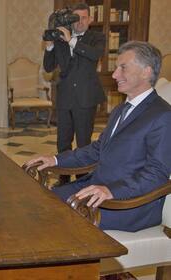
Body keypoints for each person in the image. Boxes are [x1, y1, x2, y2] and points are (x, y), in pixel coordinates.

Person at [25, 41, 171, 232]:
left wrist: (112, 191)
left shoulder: (162, 115)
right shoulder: (120, 109)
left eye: (123, 68)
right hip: (97, 189)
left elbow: (157, 174)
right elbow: (97, 150)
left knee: (55, 221)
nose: (115, 74)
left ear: (146, 72)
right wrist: (54, 159)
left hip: (128, 205)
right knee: (38, 202)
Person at [43, 3, 106, 184]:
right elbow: (48, 67)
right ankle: (63, 177)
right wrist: (49, 47)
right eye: (75, 18)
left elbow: (94, 55)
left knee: (84, 142)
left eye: (83, 17)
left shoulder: (97, 37)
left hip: (86, 98)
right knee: (63, 141)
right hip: (65, 98)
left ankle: (82, 179)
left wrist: (71, 40)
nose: (79, 22)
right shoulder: (61, 40)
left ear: (90, 19)